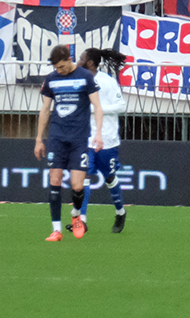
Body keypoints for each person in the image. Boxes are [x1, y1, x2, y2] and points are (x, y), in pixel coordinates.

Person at [34, 44, 104, 242]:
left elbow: (97, 106)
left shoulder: (85, 76)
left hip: (79, 139)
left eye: (62, 67)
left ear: (69, 60)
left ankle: (75, 214)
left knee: (77, 186)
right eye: (56, 68)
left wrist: (98, 133)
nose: (59, 71)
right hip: (57, 138)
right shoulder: (52, 79)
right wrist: (39, 139)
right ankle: (56, 230)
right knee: (54, 181)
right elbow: (45, 109)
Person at [77, 46, 130, 232]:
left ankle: (121, 212)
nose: (78, 61)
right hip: (85, 139)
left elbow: (121, 106)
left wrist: (96, 110)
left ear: (90, 62)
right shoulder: (79, 80)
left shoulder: (106, 82)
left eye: (81, 58)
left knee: (109, 177)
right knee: (83, 176)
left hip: (106, 138)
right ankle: (81, 220)